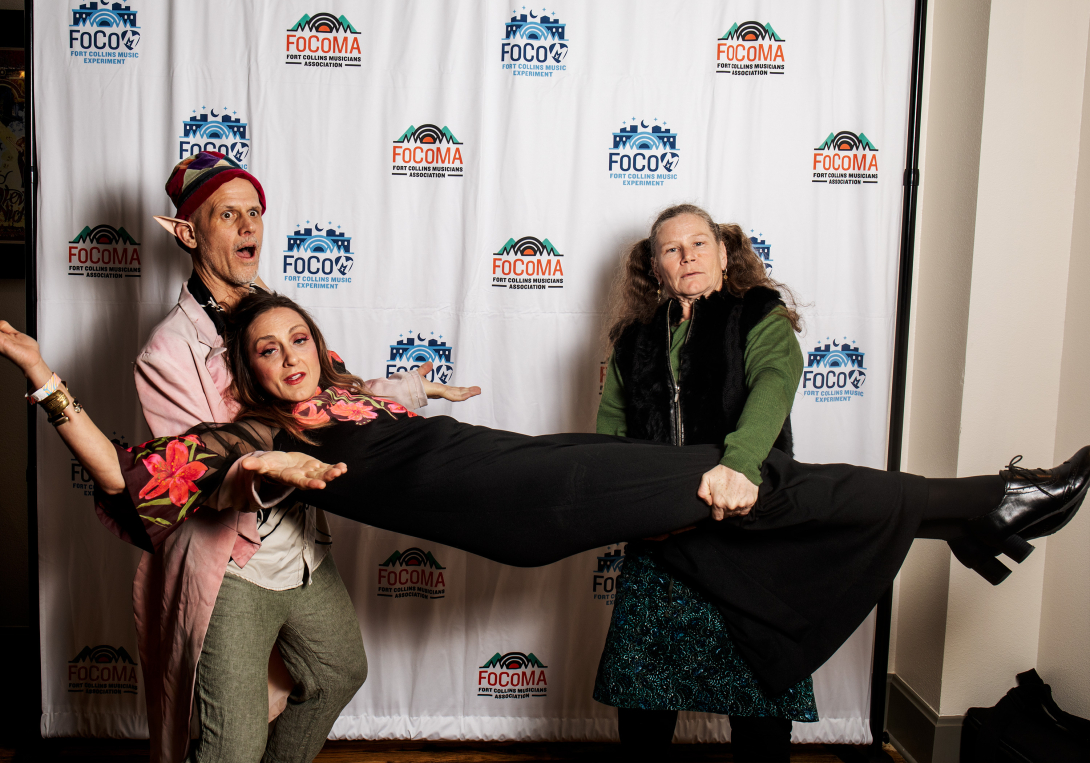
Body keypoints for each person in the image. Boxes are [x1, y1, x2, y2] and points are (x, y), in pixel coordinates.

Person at [2, 292, 1086, 705]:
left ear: (316, 347)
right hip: (526, 503)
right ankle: (991, 501)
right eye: (264, 348)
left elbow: (391, 396)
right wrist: (47, 379)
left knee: (722, 509)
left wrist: (419, 390)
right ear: (244, 371)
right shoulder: (254, 432)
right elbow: (130, 477)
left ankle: (970, 520)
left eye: (297, 338)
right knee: (738, 472)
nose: (285, 356)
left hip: (538, 471)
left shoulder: (344, 393)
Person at [120, 150, 479, 763]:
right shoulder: (167, 350)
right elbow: (192, 476)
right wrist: (268, 465)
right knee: (231, 746)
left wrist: (410, 390)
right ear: (187, 233)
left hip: (303, 550)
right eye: (227, 214)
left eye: (254, 212)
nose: (248, 226)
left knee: (337, 672)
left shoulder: (274, 312)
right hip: (233, 564)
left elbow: (330, 392)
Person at [591, 204, 813, 761]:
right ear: (654, 266)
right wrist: (629, 510)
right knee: (642, 705)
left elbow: (773, 384)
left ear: (723, 253)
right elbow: (611, 435)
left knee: (761, 703)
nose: (686, 255)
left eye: (698, 243)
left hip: (748, 530)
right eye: (671, 248)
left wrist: (738, 465)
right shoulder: (634, 339)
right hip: (661, 537)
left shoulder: (761, 316)